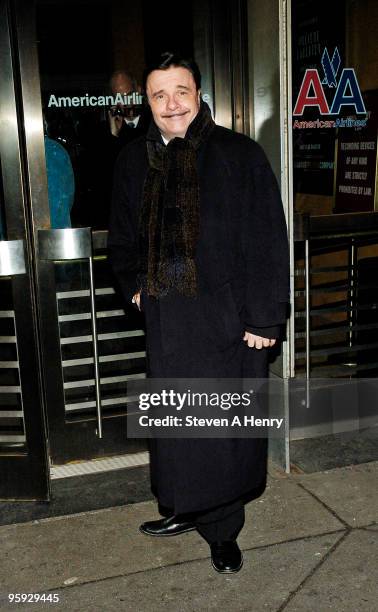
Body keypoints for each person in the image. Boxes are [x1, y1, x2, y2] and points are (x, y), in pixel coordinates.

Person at [108, 52, 289, 574]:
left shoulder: (239, 154)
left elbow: (267, 241)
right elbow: (121, 238)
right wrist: (135, 287)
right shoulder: (132, 160)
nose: (171, 105)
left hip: (229, 321)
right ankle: (185, 508)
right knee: (179, 427)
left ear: (199, 93)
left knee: (223, 429)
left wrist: (264, 319)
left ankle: (223, 531)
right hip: (167, 322)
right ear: (147, 102)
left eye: (180, 91)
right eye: (159, 95)